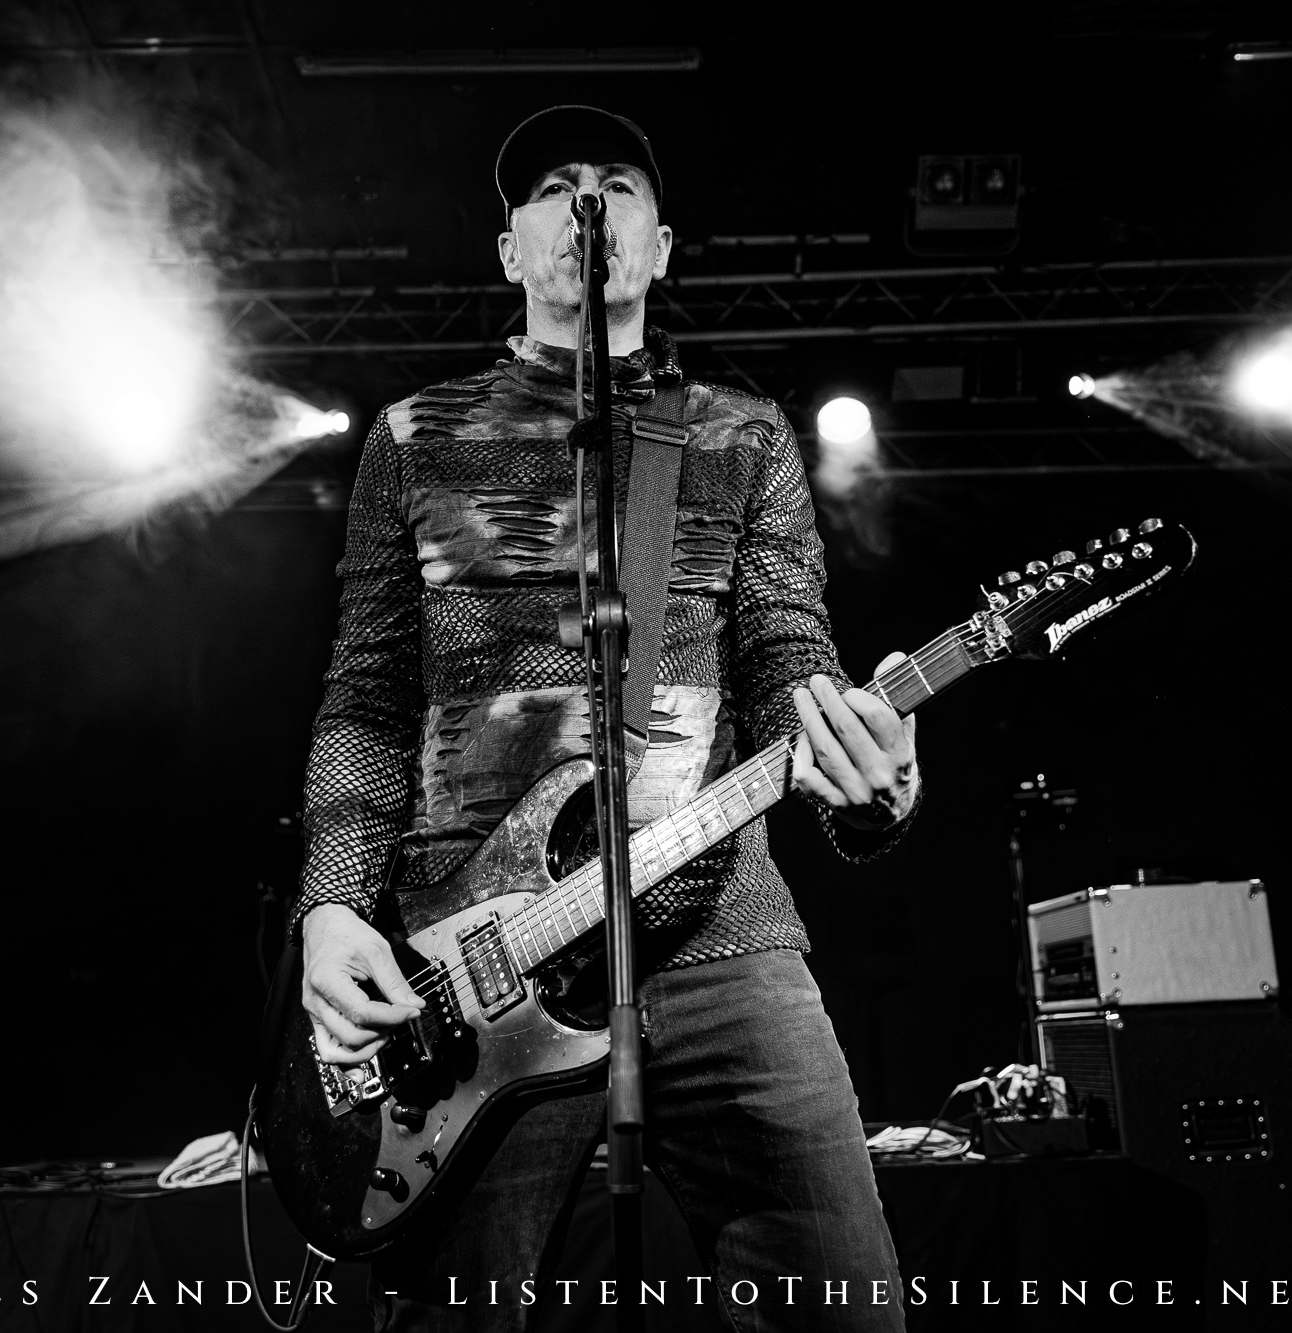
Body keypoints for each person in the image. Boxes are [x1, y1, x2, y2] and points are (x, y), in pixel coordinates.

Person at [288, 105, 921, 1332]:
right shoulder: (414, 437)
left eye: (618, 184)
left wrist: (871, 781)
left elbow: (791, 649)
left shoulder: (736, 438)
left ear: (661, 244)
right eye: (557, 188)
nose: (590, 204)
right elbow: (365, 692)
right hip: (468, 952)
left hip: (717, 930)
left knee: (843, 1304)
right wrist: (328, 907)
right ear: (511, 248)